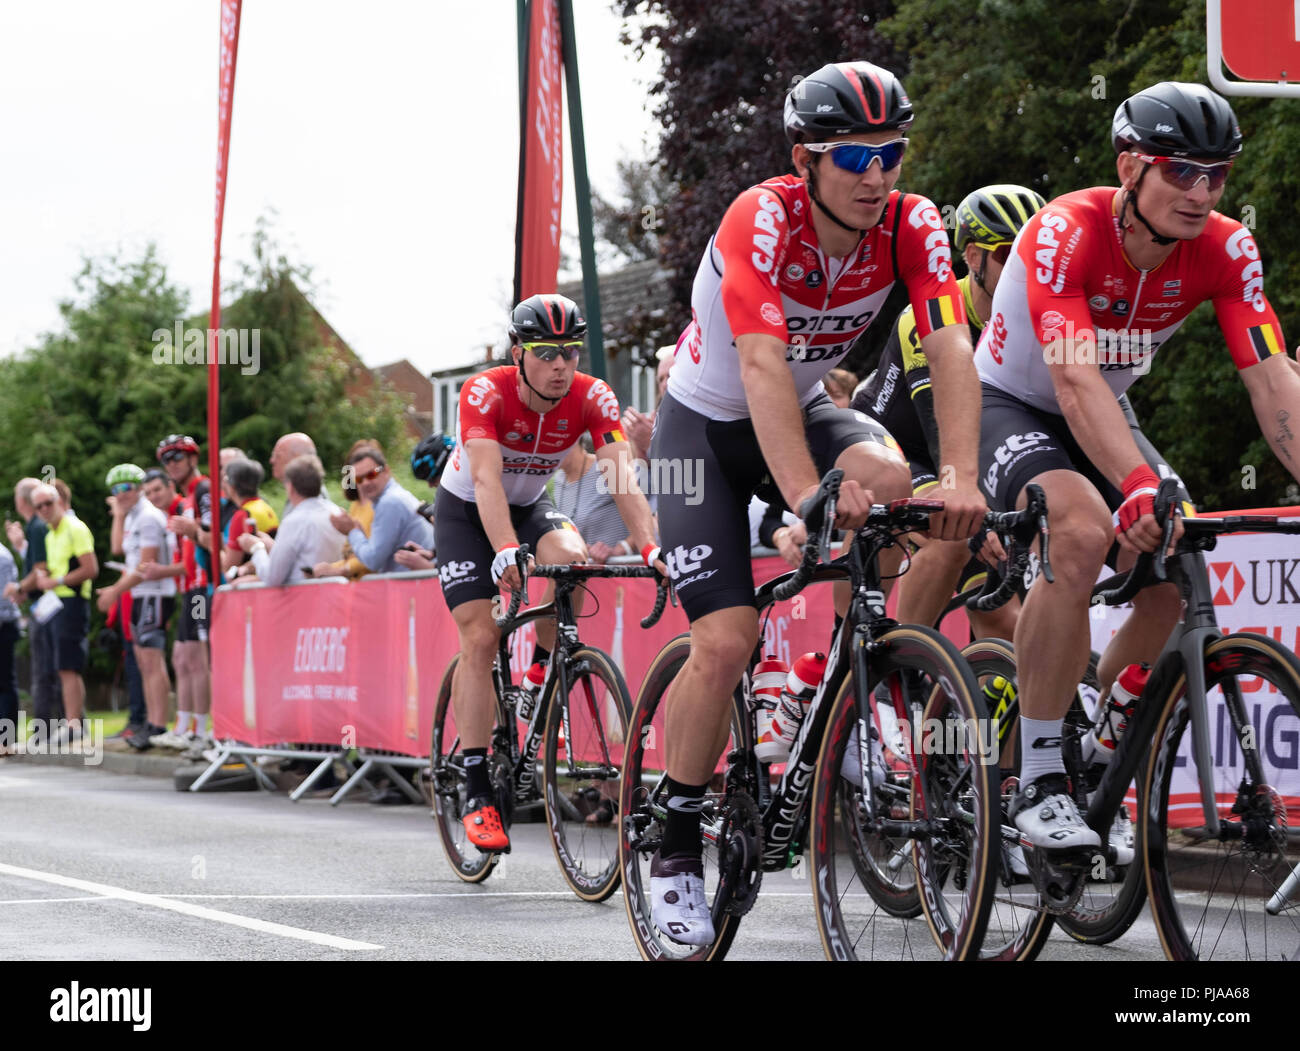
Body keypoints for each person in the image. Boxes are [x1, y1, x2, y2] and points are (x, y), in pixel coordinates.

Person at [647, 60, 988, 945]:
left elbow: (950, 344)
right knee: (723, 640)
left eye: (893, 153)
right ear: (805, 158)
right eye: (856, 157)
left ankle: (862, 681)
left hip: (798, 409)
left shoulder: (913, 224)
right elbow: (759, 365)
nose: (878, 175)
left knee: (892, 483)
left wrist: (961, 475)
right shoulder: (761, 217)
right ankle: (677, 833)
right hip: (703, 431)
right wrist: (804, 495)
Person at [973, 82, 1300, 856]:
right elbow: (1074, 382)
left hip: (1104, 410)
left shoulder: (1227, 247)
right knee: (1084, 532)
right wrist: (1137, 486)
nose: (1201, 192)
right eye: (1180, 171)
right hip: (1015, 403)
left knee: (1175, 569)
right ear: (1130, 167)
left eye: (1216, 175)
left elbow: (1271, 379)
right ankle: (1039, 775)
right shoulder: (1065, 232)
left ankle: (1103, 745)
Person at [435, 292, 661, 852]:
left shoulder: (593, 396)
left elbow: (621, 477)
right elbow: (486, 482)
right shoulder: (485, 391)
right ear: (519, 352)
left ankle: (539, 673)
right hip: (467, 511)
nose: (561, 365)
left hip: (530, 503)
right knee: (481, 636)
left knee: (569, 553)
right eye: (546, 352)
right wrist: (506, 549)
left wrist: (653, 548)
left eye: (571, 352)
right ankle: (476, 785)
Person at [853, 184, 1046, 641]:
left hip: (965, 457)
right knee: (953, 534)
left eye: (1033, 255)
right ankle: (898, 666)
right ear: (974, 258)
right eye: (1007, 256)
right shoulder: (935, 314)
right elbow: (941, 431)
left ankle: (983, 697)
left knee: (1004, 624)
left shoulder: (1040, 317)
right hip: (897, 449)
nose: (1024, 269)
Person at [96, 465, 177, 747]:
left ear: (138, 488)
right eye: (115, 491)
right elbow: (122, 552)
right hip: (141, 595)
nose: (120, 495)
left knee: (152, 661)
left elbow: (145, 565)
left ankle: (158, 725)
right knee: (143, 661)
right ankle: (150, 723)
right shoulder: (132, 516)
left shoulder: (147, 518)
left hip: (154, 593)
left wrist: (114, 592)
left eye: (125, 488)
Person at [154, 434, 213, 748]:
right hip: (190, 588)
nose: (171, 464)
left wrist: (192, 531)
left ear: (193, 458)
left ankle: (200, 729)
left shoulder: (203, 489)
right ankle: (184, 726)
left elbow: (212, 536)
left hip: (202, 586)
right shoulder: (188, 496)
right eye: (166, 460)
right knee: (182, 656)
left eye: (177, 457)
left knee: (196, 656)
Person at [30, 482, 98, 738]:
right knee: (60, 665)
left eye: (49, 503)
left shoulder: (75, 528)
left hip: (72, 601)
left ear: (59, 502)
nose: (45, 509)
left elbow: (90, 569)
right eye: (39, 507)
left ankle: (74, 724)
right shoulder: (50, 533)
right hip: (55, 604)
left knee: (69, 665)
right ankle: (71, 723)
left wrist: (57, 581)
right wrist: (45, 576)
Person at [4, 478, 62, 722]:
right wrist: (20, 546)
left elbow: (41, 569)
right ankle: (51, 727)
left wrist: (18, 587)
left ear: (20, 501)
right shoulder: (36, 527)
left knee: (46, 670)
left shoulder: (37, 525)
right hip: (42, 604)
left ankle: (49, 728)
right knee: (46, 669)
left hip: (47, 605)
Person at [240, 455, 344, 586]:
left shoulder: (294, 521)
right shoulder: (337, 512)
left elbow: (273, 577)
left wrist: (257, 548)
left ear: (290, 487)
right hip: (336, 597)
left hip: (305, 599)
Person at [329, 447, 434, 573]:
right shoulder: (392, 496)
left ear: (386, 471)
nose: (366, 483)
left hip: (413, 587)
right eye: (359, 479)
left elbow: (373, 560)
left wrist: (352, 532)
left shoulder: (389, 502)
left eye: (371, 474)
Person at [552, 436, 636, 563]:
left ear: (574, 439)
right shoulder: (558, 480)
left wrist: (623, 547)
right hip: (587, 575)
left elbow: (648, 515)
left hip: (626, 571)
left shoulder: (605, 467)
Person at [221, 458, 279, 576]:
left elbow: (229, 569)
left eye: (225, 479)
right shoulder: (266, 507)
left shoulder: (242, 515)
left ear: (232, 486)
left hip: (252, 586)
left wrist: (212, 545)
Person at [622, 345, 675, 462]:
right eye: (661, 379)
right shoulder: (657, 421)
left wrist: (650, 445)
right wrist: (640, 452)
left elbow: (695, 474)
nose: (665, 384)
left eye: (671, 376)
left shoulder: (701, 418)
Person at [0, 542, 18, 755]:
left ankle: (7, 741)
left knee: (4, 683)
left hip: (4, 627)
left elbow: (4, 600)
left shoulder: (2, 557)